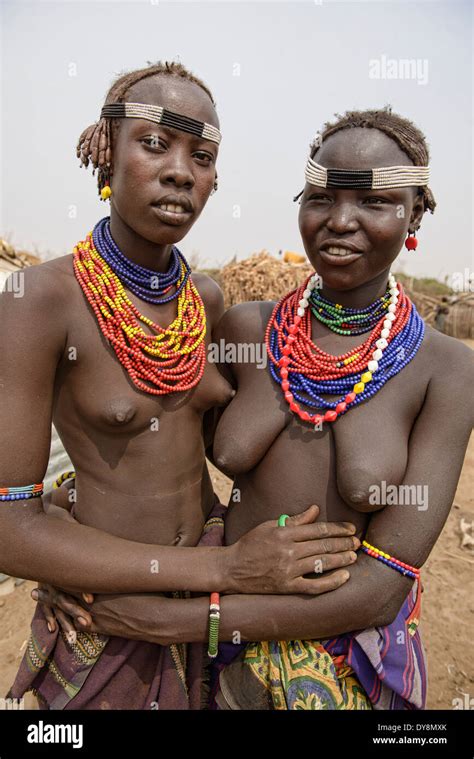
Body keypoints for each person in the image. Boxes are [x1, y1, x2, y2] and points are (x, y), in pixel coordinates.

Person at [37, 107, 474, 710]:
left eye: (373, 202)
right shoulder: (245, 329)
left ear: (415, 212)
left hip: (333, 661)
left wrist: (168, 624)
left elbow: (379, 590)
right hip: (206, 652)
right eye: (321, 197)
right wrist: (57, 533)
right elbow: (145, 442)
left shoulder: (445, 370)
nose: (340, 221)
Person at [1, 62, 356, 710]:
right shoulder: (39, 302)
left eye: (203, 155)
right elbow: (8, 524)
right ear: (107, 149)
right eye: (156, 143)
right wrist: (223, 568)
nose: (180, 171)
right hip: (109, 616)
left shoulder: (208, 301)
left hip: (208, 613)